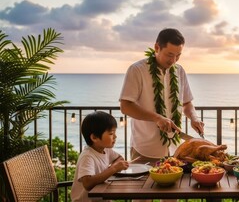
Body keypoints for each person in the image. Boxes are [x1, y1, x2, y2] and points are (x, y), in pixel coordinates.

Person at [119, 28, 204, 164]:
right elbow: (125, 106)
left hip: (175, 151)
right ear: (157, 47)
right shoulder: (137, 70)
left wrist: (194, 118)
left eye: (178, 55)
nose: (173, 60)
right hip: (145, 150)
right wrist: (157, 118)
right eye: (169, 55)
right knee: (144, 186)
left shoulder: (179, 71)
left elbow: (187, 103)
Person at [71, 111, 129, 202]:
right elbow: (87, 183)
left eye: (114, 132)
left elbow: (119, 158)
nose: (115, 136)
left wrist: (115, 167)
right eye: (111, 133)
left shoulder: (105, 149)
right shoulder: (87, 156)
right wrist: (113, 169)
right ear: (94, 137)